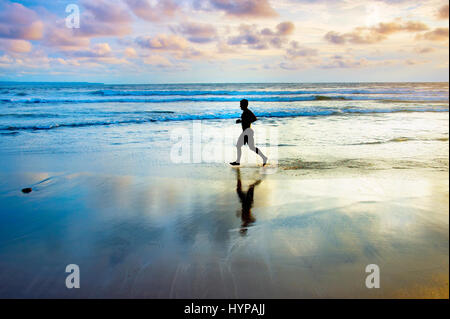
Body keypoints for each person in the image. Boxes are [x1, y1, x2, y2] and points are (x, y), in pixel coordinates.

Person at [230, 99, 268, 166]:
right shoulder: (245, 112)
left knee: (240, 145)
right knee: (251, 147)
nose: (240, 106)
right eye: (240, 104)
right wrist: (241, 121)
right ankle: (264, 157)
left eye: (241, 104)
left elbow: (254, 118)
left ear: (245, 105)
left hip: (247, 131)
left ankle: (238, 161)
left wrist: (246, 121)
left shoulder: (247, 111)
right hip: (247, 131)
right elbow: (246, 120)